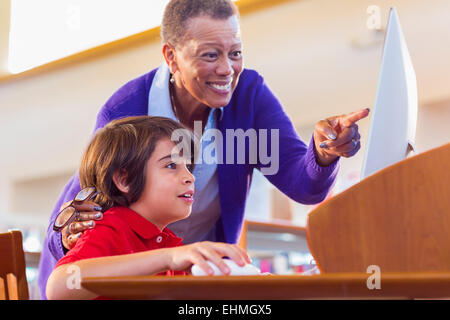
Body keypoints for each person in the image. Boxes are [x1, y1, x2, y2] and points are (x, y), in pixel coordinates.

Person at [38, 0, 369, 299]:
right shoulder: (127, 109)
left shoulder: (249, 98)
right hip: (109, 272)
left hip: (185, 264)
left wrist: (325, 152)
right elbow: (81, 209)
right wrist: (71, 232)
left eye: (235, 53)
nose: (226, 69)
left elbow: (304, 183)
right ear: (171, 56)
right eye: (210, 54)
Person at [46, 116, 251, 300]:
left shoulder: (168, 243)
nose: (190, 177)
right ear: (124, 180)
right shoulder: (111, 228)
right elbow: (59, 286)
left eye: (188, 166)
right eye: (171, 166)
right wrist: (167, 259)